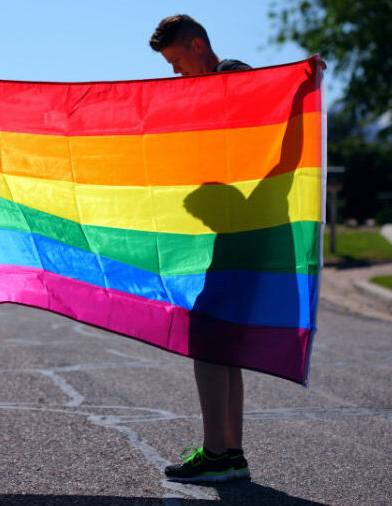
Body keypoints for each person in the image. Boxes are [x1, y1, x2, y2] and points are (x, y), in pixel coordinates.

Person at [148, 15, 252, 484]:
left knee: (208, 338)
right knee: (222, 342)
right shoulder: (217, 85)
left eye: (176, 61)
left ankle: (216, 453)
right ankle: (230, 453)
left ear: (197, 44)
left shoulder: (231, 77)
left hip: (243, 230)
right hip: (236, 231)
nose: (174, 73)